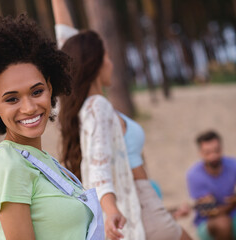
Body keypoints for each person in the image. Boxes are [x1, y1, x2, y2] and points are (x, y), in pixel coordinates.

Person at [0, 14, 104, 240]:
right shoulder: (8, 165)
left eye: (37, 92)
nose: (29, 107)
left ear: (49, 86)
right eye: (12, 99)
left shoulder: (39, 159)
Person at [51, 1, 191, 240]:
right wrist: (111, 208)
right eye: (106, 57)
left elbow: (69, 44)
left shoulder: (85, 106)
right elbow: (98, 168)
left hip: (138, 205)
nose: (111, 62)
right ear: (94, 64)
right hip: (141, 206)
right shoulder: (98, 107)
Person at [187, 130, 236, 240]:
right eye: (208, 153)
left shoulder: (233, 165)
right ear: (200, 153)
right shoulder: (194, 175)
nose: (213, 156)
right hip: (207, 221)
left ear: (222, 149)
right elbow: (211, 212)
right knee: (223, 224)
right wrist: (232, 203)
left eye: (216, 151)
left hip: (232, 213)